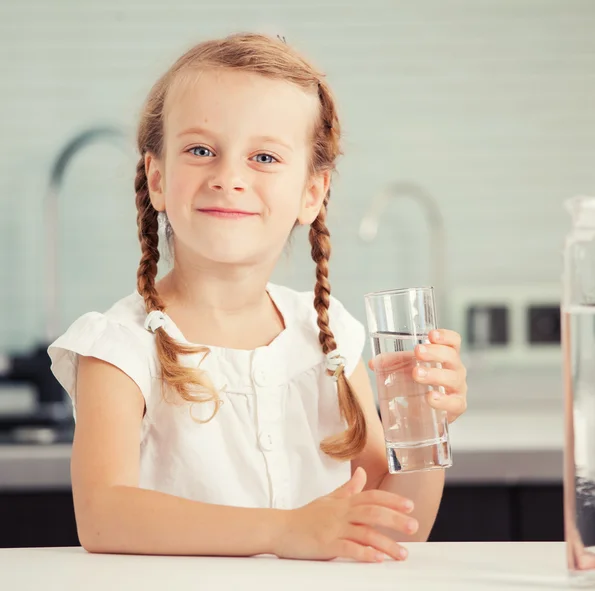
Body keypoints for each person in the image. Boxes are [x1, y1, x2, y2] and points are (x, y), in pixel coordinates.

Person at [48, 32, 468, 563]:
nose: (228, 178)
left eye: (264, 157)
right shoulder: (118, 347)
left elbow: (395, 529)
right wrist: (285, 530)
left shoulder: (330, 338)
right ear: (158, 178)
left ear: (311, 194)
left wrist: (425, 429)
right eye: (201, 150)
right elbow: (105, 517)